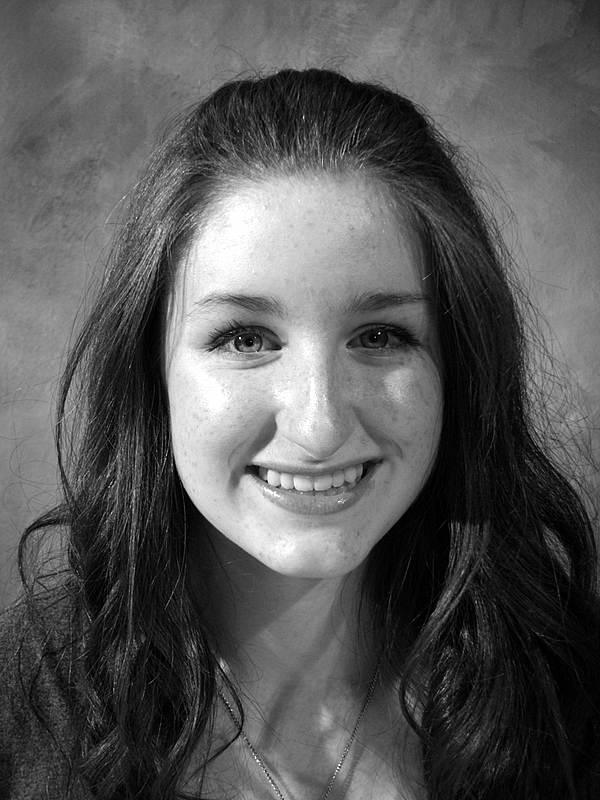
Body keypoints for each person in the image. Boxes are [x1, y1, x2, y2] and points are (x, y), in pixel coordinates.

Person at [1, 68, 599, 800]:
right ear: (150, 373)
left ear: (460, 370)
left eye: (380, 335)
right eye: (246, 339)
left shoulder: (571, 699)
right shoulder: (20, 711)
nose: (319, 426)